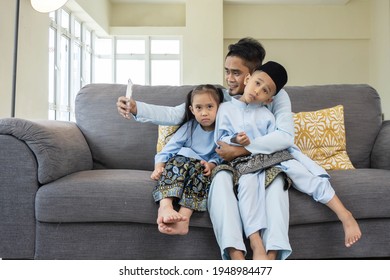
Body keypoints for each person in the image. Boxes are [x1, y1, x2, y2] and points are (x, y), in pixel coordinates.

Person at [117, 38, 293, 260]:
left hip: (263, 160)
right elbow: (177, 114)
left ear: (253, 73)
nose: (229, 79)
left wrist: (241, 151)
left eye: (236, 73)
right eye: (227, 71)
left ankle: (270, 258)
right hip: (224, 165)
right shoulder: (219, 97)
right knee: (219, 181)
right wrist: (136, 108)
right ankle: (236, 257)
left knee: (277, 183)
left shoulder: (276, 94)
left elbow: (285, 136)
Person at [214, 61, 362, 259]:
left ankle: (344, 214)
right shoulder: (225, 108)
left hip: (272, 157)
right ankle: (257, 243)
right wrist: (234, 140)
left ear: (269, 99)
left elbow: (277, 140)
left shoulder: (267, 115)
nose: (258, 91)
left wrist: (250, 146)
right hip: (245, 163)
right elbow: (220, 139)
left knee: (301, 173)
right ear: (248, 79)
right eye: (257, 83)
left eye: (264, 90)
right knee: (249, 185)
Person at [150, 84, 224, 236]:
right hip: (181, 162)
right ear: (192, 110)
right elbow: (170, 148)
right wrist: (159, 166)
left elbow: (220, 154)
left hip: (200, 166)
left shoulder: (222, 131)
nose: (204, 113)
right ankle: (165, 206)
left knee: (202, 175)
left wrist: (211, 164)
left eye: (210, 107)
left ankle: (184, 219)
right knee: (175, 164)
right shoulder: (190, 127)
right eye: (199, 108)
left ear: (219, 108)